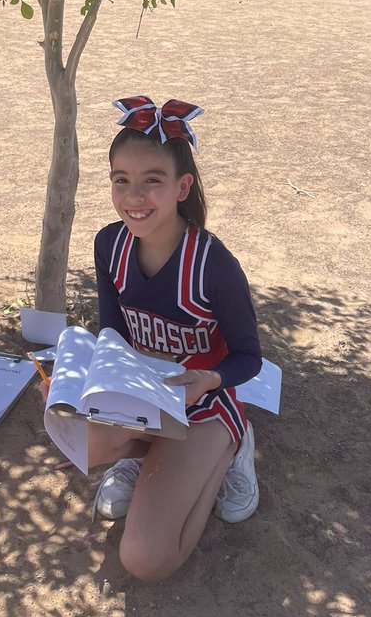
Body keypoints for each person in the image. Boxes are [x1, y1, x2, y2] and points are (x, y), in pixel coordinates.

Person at [89, 96, 263, 581]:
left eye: (152, 181)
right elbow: (113, 332)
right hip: (145, 397)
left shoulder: (212, 264)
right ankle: (145, 459)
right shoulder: (110, 244)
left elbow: (250, 357)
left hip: (205, 402)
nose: (134, 196)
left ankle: (231, 450)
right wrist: (75, 384)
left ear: (182, 187)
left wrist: (207, 379)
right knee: (84, 439)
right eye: (121, 180)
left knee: (144, 560)